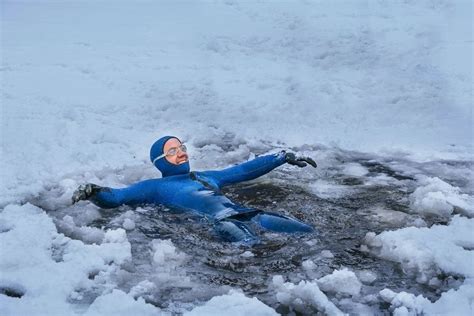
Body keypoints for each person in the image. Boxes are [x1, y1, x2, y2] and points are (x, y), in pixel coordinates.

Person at [72, 136, 317, 244]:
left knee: (307, 232)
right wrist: (94, 192)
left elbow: (243, 170)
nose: (181, 153)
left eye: (181, 147)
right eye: (172, 151)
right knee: (253, 248)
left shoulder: (205, 176)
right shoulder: (154, 187)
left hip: (249, 213)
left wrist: (282, 156)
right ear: (160, 161)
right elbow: (116, 197)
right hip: (221, 222)